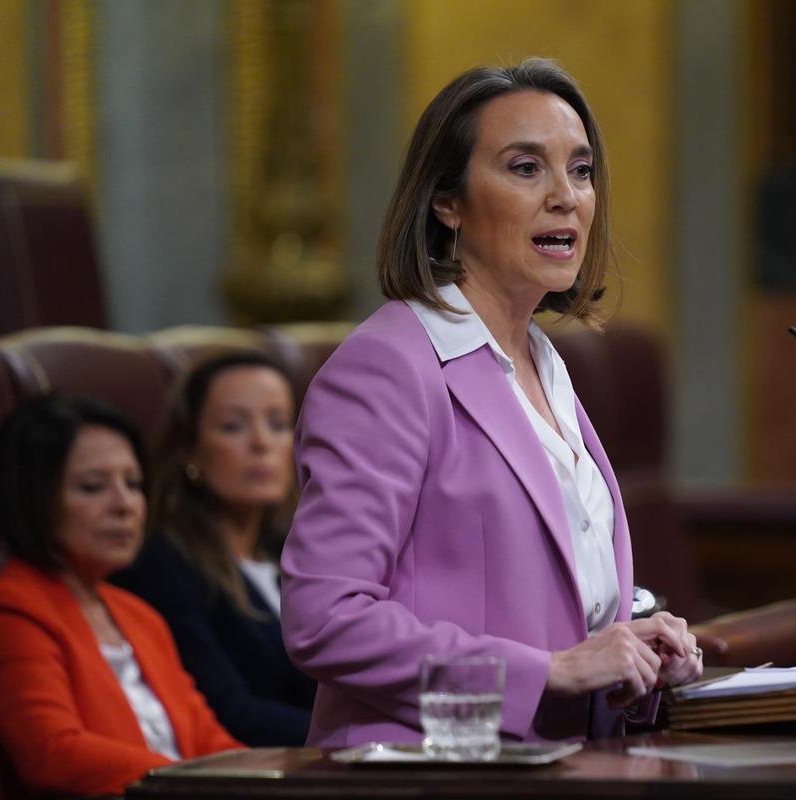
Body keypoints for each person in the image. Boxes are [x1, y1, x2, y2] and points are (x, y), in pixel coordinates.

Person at [281, 57, 703, 748]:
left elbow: (533, 597)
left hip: (558, 766)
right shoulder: (386, 367)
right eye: (525, 167)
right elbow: (323, 618)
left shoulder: (546, 363)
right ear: (447, 201)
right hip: (431, 770)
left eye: (582, 169)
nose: (566, 196)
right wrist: (550, 671)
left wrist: (633, 645)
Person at [0, 394, 240, 798]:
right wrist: (194, 780)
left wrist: (272, 779)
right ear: (34, 500)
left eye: (133, 484)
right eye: (93, 487)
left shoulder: (139, 614)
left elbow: (207, 739)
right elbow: (52, 753)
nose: (124, 505)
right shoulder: (12, 609)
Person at [113, 352, 315, 746]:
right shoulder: (164, 563)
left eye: (278, 424)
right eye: (233, 426)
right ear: (189, 448)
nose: (261, 443)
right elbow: (228, 710)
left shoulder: (296, 549)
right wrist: (356, 738)